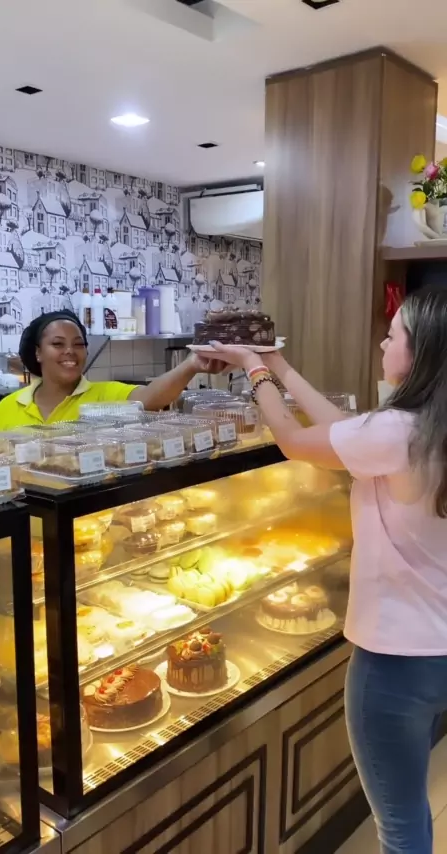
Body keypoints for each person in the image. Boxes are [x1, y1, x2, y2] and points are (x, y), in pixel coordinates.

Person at [197, 285, 447, 854]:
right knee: (413, 807)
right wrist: (280, 364)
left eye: (393, 335)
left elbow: (292, 441)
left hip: (395, 661)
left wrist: (255, 370)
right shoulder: (425, 427)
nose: (382, 343)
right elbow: (341, 431)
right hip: (440, 649)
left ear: (423, 351)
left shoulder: (399, 430)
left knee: (401, 825)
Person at [0, 311, 222, 431]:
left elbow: (151, 397)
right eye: (57, 344)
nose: (70, 351)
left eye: (79, 344)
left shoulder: (104, 395)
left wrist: (192, 364)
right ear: (38, 352)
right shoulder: (8, 407)